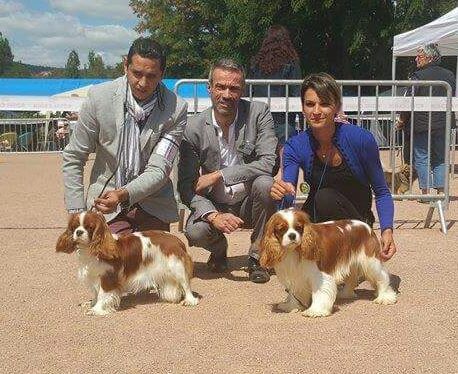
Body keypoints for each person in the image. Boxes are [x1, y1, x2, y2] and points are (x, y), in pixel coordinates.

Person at [62, 37, 188, 234]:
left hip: (154, 205)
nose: (142, 83)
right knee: (111, 260)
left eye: (151, 76)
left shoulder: (177, 109)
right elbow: (74, 156)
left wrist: (123, 194)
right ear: (125, 66)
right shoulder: (98, 98)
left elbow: (159, 169)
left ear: (162, 74)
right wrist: (77, 211)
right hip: (105, 205)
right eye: (136, 73)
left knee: (154, 260)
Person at [271, 73, 396, 261]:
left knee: (324, 197)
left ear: (337, 106)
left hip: (356, 221)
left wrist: (387, 230)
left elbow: (382, 191)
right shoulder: (294, 146)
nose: (316, 111)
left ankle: (356, 252)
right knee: (307, 214)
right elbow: (288, 195)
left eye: (325, 104)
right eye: (310, 104)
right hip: (318, 217)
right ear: (303, 107)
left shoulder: (361, 139)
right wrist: (281, 192)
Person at [178, 58, 278, 283]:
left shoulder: (258, 112)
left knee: (266, 184)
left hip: (249, 201)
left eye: (234, 88)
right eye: (220, 87)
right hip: (215, 202)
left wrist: (219, 175)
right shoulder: (193, 127)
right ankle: (219, 249)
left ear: (242, 89)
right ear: (209, 88)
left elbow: (268, 163)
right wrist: (213, 215)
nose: (226, 94)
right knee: (195, 231)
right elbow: (186, 185)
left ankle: (257, 256)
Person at [397, 43, 456, 195]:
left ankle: (425, 193)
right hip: (443, 123)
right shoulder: (449, 75)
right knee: (441, 157)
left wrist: (402, 120)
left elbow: (408, 101)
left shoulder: (417, 76)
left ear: (429, 58)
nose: (416, 59)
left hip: (421, 124)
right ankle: (442, 192)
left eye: (419, 56)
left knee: (422, 158)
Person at [249, 25, 302, 150]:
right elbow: (296, 92)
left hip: (259, 116)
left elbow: (249, 91)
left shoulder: (255, 63)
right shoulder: (291, 63)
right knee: (286, 154)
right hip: (283, 119)